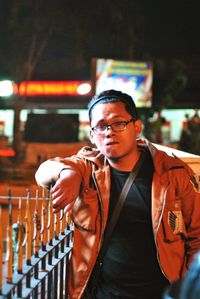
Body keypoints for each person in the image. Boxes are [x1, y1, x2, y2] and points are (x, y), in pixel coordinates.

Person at [35, 89, 200, 299]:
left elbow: (197, 237)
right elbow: (43, 171)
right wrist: (68, 173)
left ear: (136, 127)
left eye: (119, 123)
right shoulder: (88, 169)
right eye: (101, 126)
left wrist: (184, 289)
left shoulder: (173, 173)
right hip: (102, 294)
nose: (109, 132)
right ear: (92, 136)